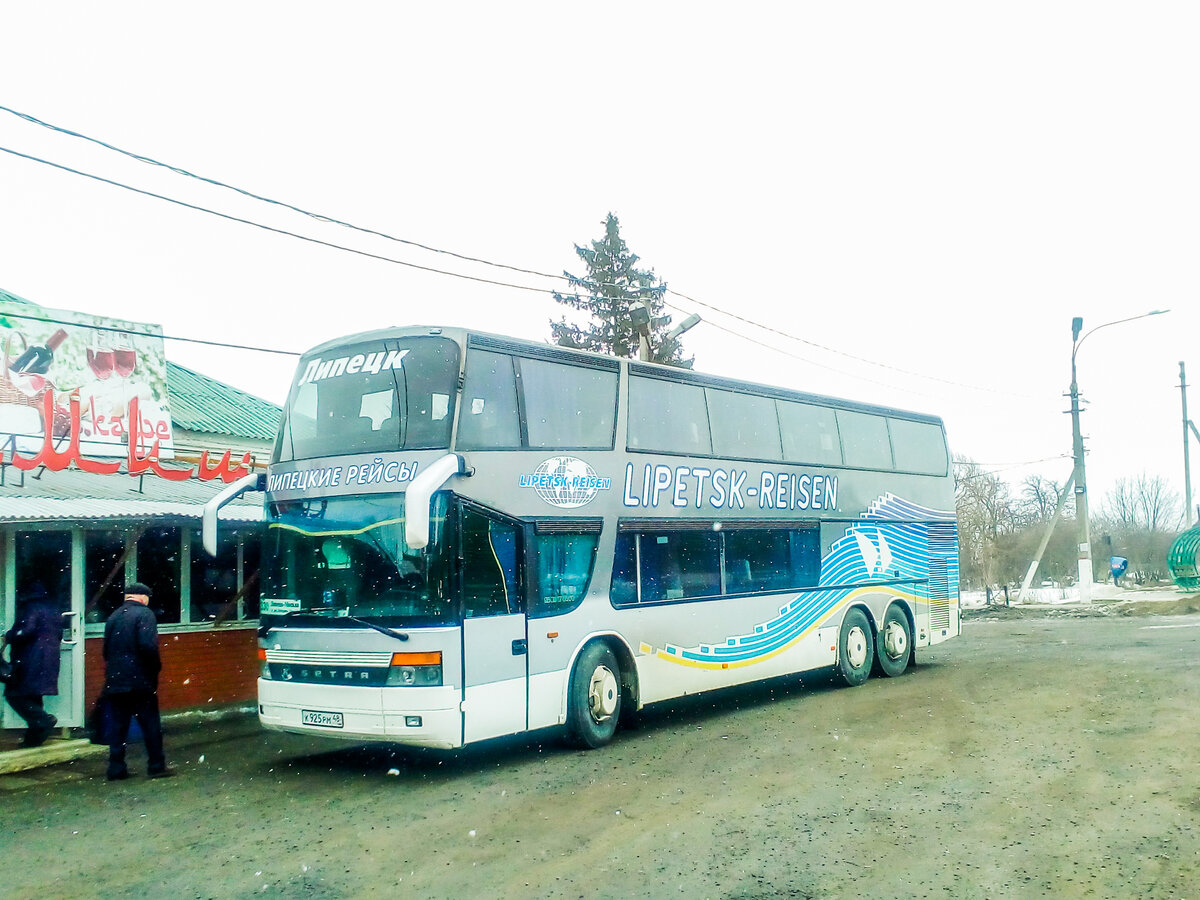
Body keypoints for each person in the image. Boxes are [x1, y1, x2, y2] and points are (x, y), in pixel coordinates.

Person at [103, 582, 174, 780]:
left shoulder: (113, 616)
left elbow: (106, 650)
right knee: (150, 724)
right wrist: (155, 668)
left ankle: (116, 769)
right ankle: (156, 765)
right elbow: (148, 646)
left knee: (118, 726)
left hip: (116, 680)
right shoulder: (145, 614)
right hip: (140, 680)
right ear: (143, 597)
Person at [2, 584, 62, 747]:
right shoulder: (53, 609)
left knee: (15, 694)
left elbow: (26, 630)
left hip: (31, 659)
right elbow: (58, 634)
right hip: (48, 660)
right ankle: (33, 739)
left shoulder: (31, 607)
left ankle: (44, 721)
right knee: (34, 696)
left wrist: (9, 635)